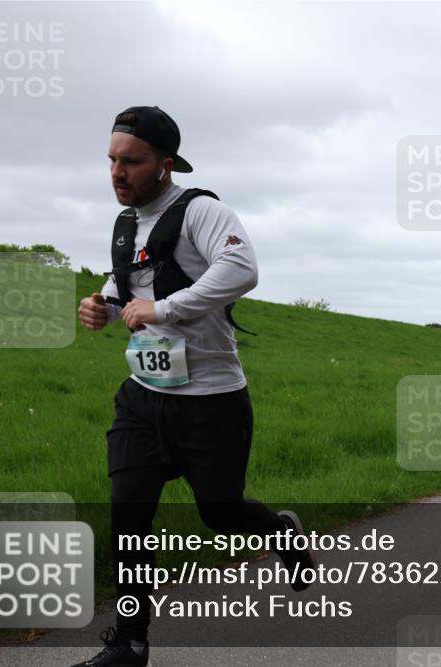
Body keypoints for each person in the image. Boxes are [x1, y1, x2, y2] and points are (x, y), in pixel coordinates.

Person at [74, 106, 314, 667]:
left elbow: (241, 269)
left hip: (211, 401)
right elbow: (126, 281)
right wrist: (102, 307)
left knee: (221, 513)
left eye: (130, 161)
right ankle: (130, 645)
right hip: (143, 397)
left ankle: (281, 532)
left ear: (164, 163)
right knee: (129, 518)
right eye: (111, 160)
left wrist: (164, 310)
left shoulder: (201, 210)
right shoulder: (127, 223)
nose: (117, 172)